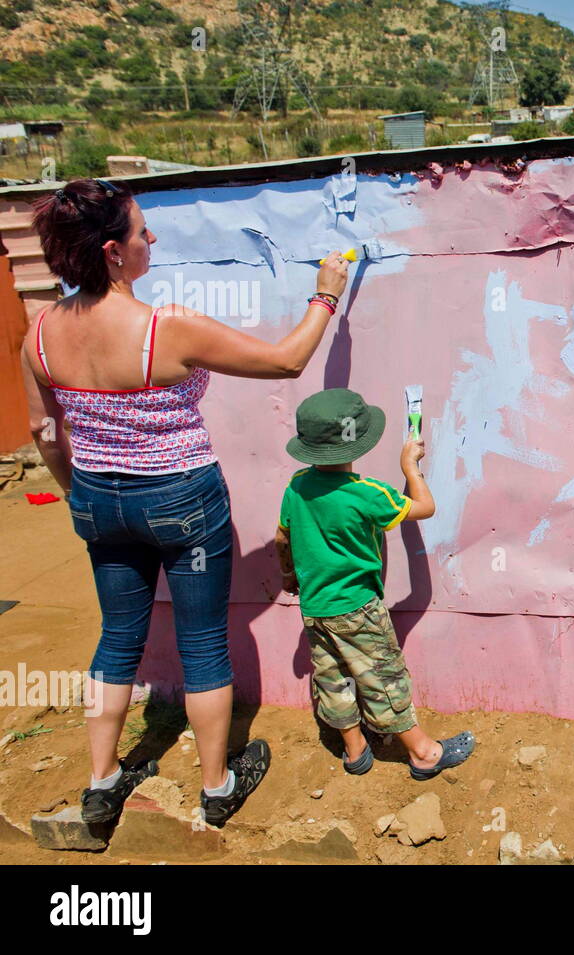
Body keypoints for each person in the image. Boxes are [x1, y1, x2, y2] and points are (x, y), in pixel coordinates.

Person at [21, 177, 352, 826]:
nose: (154, 238)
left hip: (96, 497)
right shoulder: (163, 330)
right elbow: (286, 360)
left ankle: (102, 780)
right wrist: (325, 293)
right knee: (202, 645)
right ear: (114, 252)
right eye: (144, 231)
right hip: (180, 499)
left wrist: (78, 495)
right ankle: (217, 786)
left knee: (117, 638)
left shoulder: (39, 332)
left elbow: (42, 432)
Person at [275, 388, 475, 779]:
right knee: (383, 676)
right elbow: (425, 508)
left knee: (331, 676)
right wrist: (410, 467)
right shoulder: (367, 494)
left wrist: (288, 576)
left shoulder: (296, 486)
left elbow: (283, 536)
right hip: (358, 608)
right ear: (356, 443)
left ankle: (355, 750)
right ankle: (423, 753)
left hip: (315, 606)